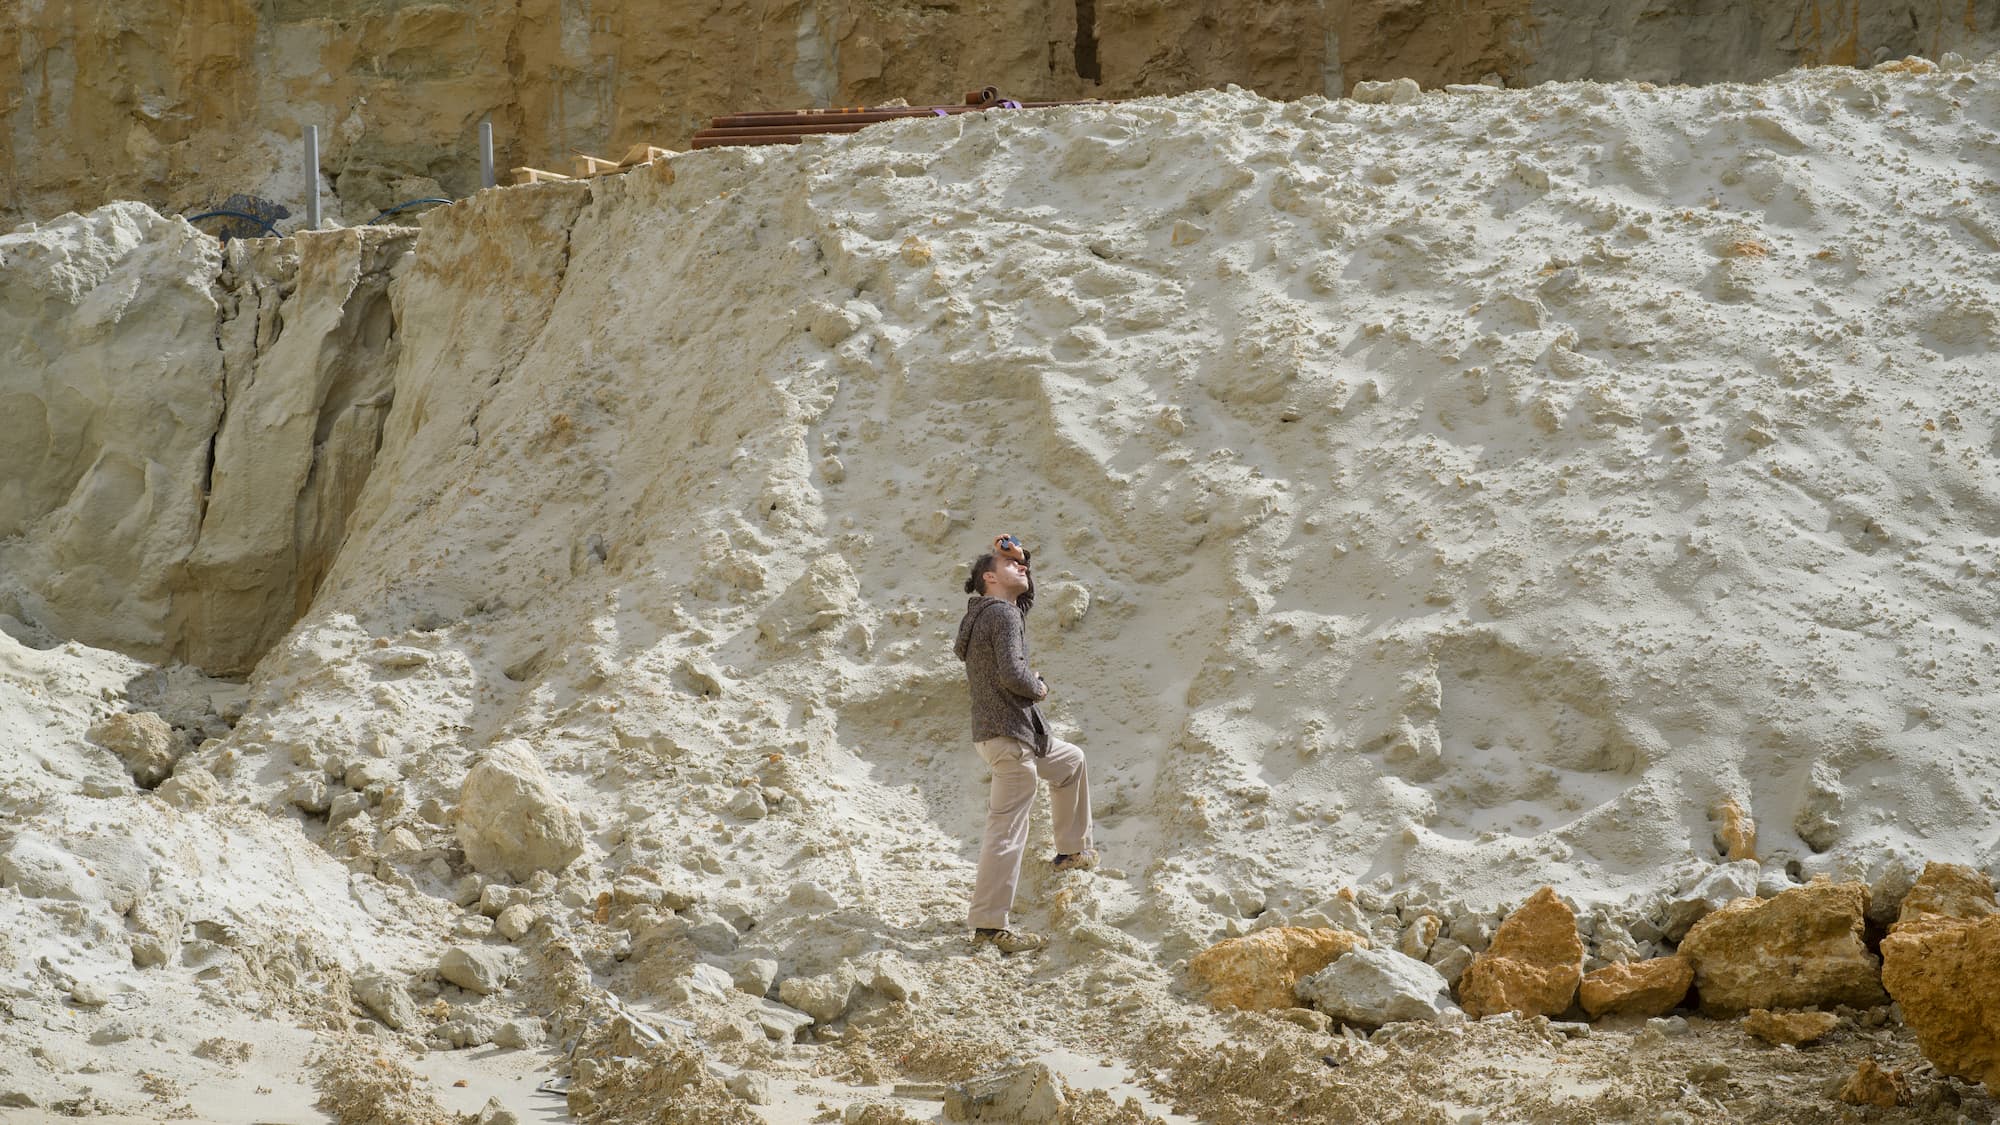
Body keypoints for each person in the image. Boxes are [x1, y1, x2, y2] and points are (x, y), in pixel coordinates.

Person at [952, 534, 1095, 953]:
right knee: (1007, 829)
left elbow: (1021, 587)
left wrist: (1018, 556)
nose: (1024, 568)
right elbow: (1013, 675)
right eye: (1012, 565)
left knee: (1070, 762)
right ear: (990, 578)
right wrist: (1039, 687)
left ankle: (1072, 851)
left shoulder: (985, 614)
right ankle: (989, 925)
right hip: (1011, 738)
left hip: (1010, 735)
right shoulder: (1002, 615)